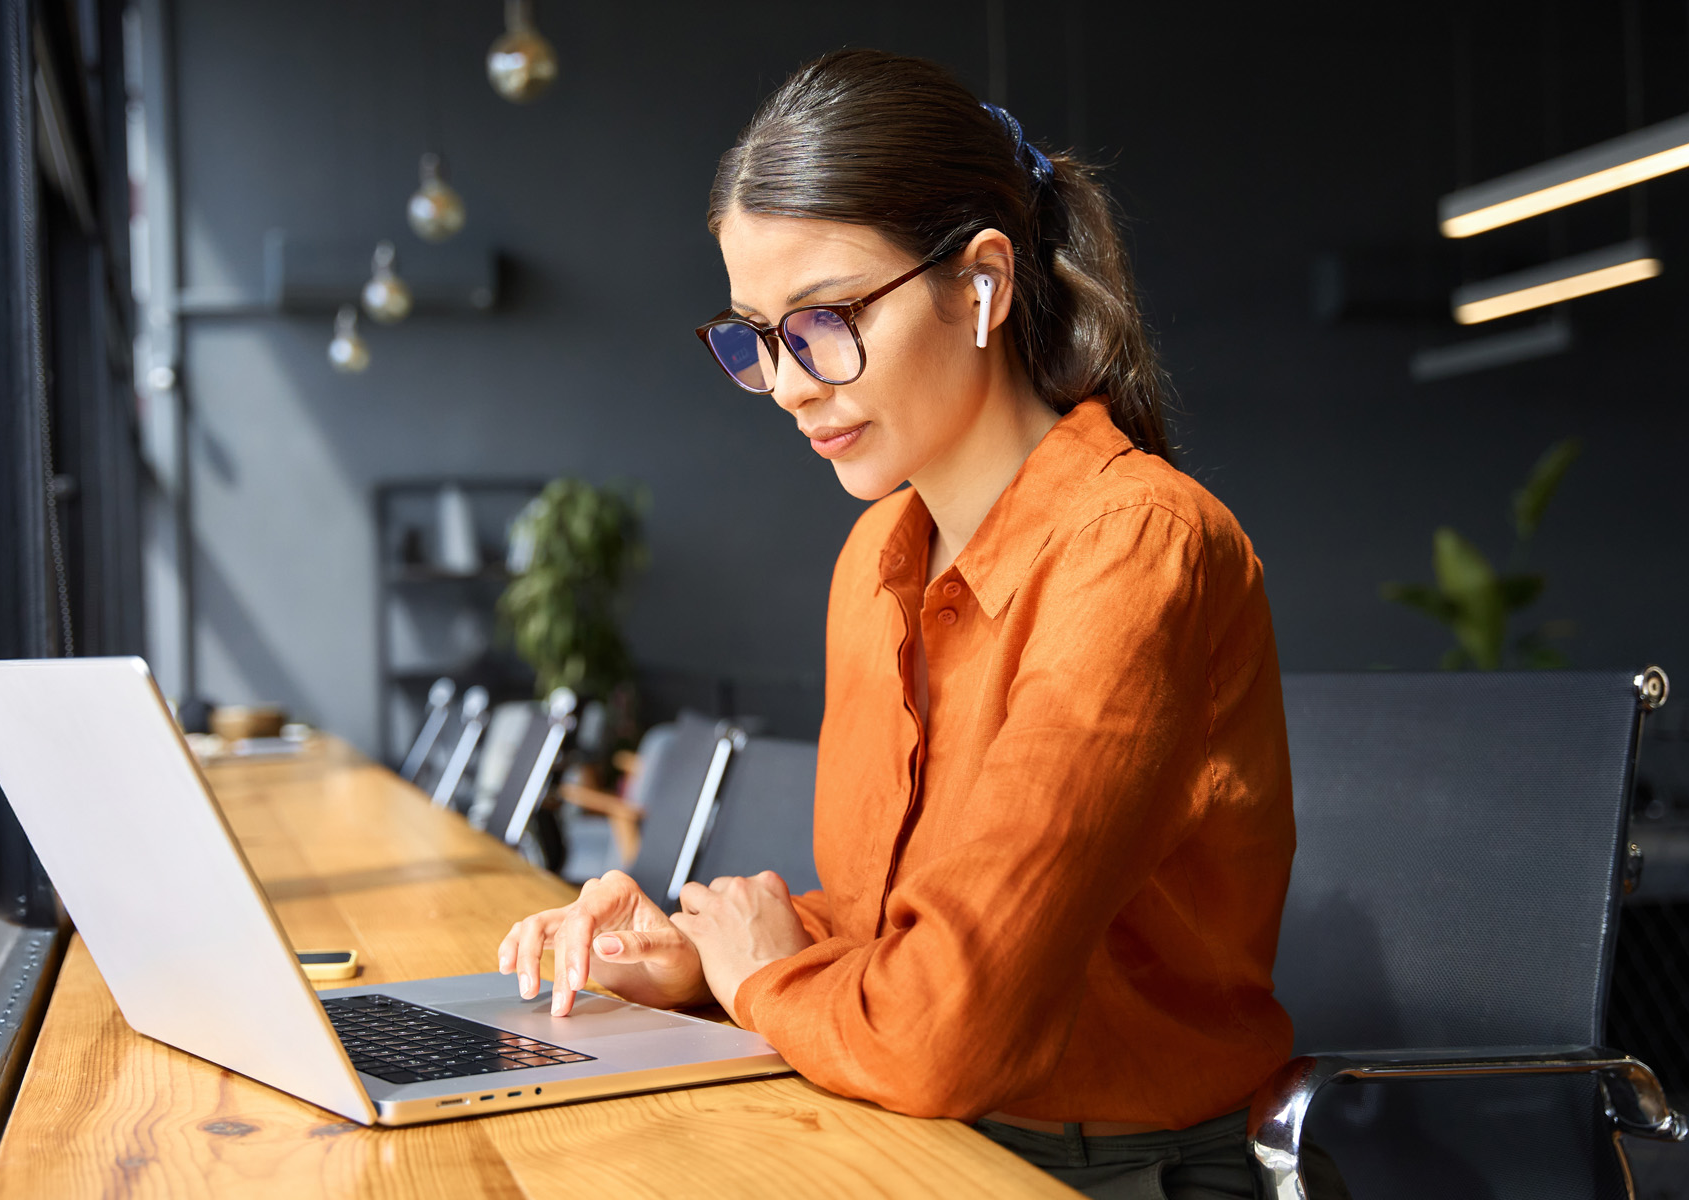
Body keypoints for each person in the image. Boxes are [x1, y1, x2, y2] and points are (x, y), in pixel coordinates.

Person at [499, 49, 1347, 1200]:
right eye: (755, 334)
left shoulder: (1136, 548)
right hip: (915, 1137)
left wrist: (758, 982)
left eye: (826, 318)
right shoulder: (878, 557)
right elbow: (893, 926)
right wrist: (699, 954)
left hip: (1099, 1170)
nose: (791, 381)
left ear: (981, 283)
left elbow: (948, 1028)